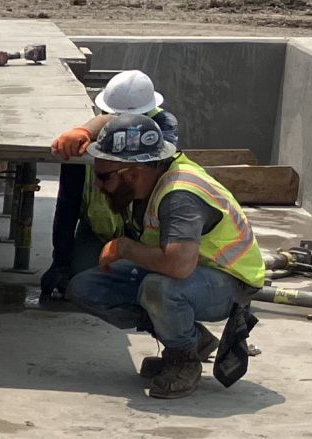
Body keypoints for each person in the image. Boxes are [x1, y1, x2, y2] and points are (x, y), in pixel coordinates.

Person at [62, 115, 263, 399]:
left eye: (104, 177)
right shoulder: (151, 174)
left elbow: (178, 266)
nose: (98, 185)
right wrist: (82, 130)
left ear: (132, 173)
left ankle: (184, 360)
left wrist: (124, 248)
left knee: (159, 289)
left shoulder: (180, 195)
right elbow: (118, 117)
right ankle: (193, 340)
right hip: (194, 272)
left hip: (229, 282)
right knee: (87, 287)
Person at [38, 69, 181, 299]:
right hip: (99, 228)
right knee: (82, 285)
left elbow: (128, 128)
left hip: (142, 233)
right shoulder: (84, 139)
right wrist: (60, 261)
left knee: (145, 286)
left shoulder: (161, 132)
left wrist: (92, 127)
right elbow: (67, 204)